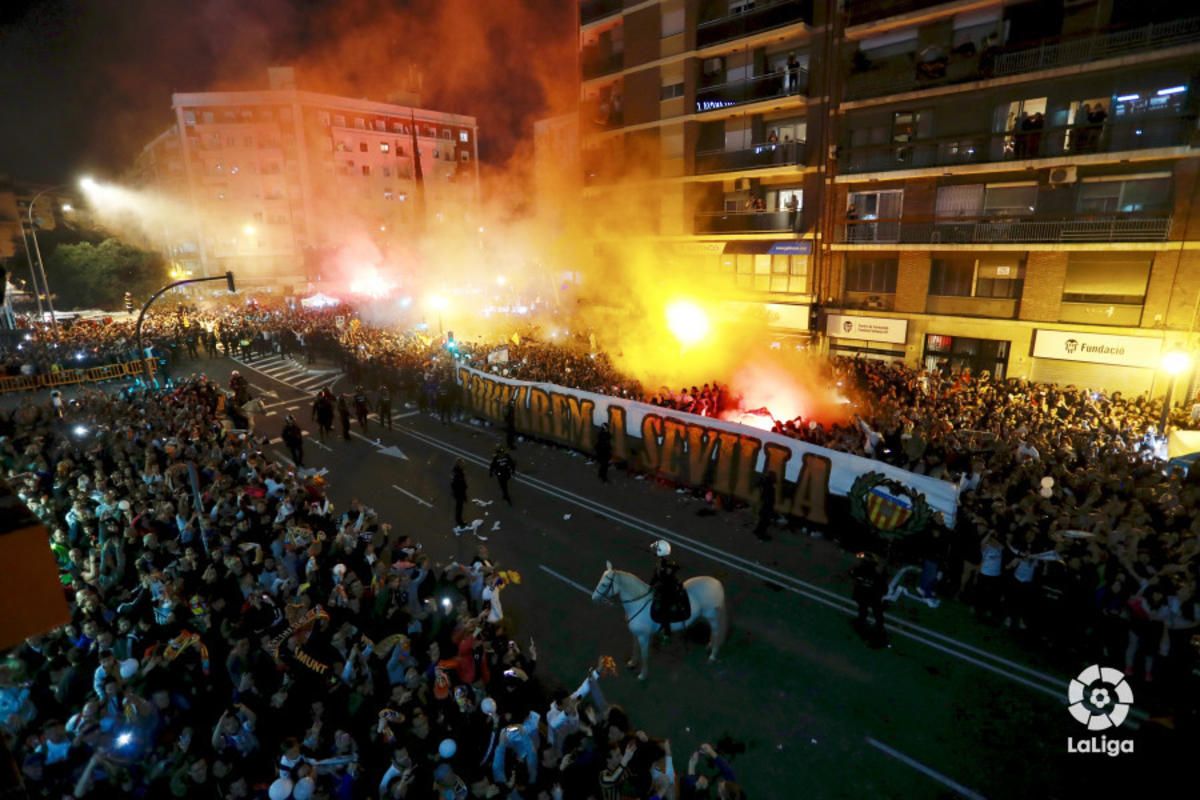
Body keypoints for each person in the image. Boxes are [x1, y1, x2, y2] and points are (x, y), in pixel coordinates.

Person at [648, 540, 685, 640]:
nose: (654, 551)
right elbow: (656, 576)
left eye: (656, 549)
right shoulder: (660, 562)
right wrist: (649, 585)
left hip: (669, 590)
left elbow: (665, 579)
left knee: (663, 608)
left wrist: (657, 585)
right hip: (663, 587)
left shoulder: (666, 565)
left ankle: (667, 632)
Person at [851, 552, 888, 635]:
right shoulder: (876, 575)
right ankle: (878, 626)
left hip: (865, 594)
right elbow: (884, 587)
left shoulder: (862, 571)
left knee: (865, 609)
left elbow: (853, 574)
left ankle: (863, 622)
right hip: (871, 595)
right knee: (876, 611)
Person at [752, 473, 775, 541]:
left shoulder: (766, 484)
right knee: (765, 520)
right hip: (767, 505)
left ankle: (758, 531)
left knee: (763, 519)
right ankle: (761, 534)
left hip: (766, 504)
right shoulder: (769, 485)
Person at [451, 459, 469, 529]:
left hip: (460, 493)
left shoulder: (459, 472)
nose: (463, 466)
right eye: (462, 464)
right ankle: (459, 521)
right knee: (459, 508)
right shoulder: (457, 475)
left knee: (459, 507)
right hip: (459, 494)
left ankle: (459, 520)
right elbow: (454, 485)